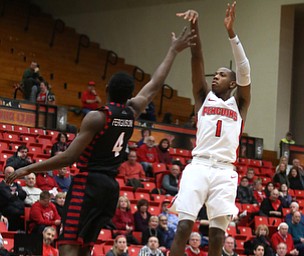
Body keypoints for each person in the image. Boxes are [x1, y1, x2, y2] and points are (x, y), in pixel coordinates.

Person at [6, 27, 195, 256]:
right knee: (85, 249)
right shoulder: (131, 111)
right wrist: (173, 51)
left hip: (88, 184)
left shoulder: (98, 116)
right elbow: (155, 83)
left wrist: (26, 169)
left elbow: (69, 157)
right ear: (128, 95)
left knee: (67, 246)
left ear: (106, 90)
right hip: (110, 189)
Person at [170, 3, 251, 256]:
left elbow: (246, 70)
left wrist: (231, 32)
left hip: (225, 171)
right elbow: (197, 58)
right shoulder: (203, 96)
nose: (215, 77)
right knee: (184, 226)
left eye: (222, 74)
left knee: (217, 235)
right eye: (214, 74)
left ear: (233, 82)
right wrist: (195, 25)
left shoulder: (241, 102)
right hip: (200, 165)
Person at [0, 166, 26, 231]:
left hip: (19, 208)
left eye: (12, 173)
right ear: (4, 173)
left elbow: (24, 194)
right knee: (15, 212)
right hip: (7, 209)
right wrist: (17, 194)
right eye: (9, 173)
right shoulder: (2, 186)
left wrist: (16, 193)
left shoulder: (17, 184)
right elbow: (9, 197)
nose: (11, 175)